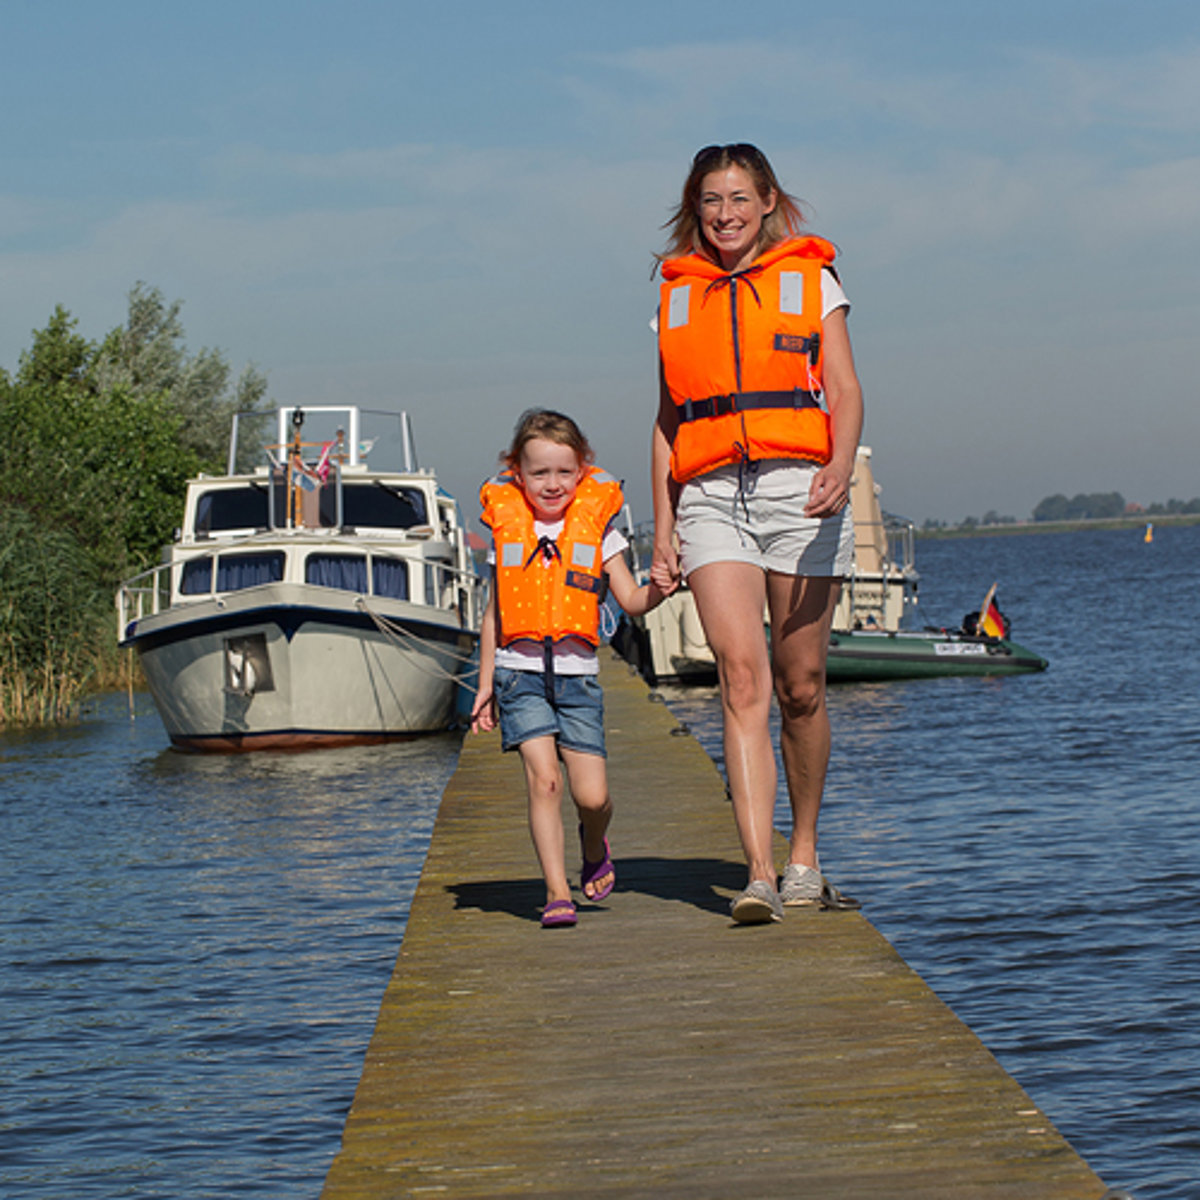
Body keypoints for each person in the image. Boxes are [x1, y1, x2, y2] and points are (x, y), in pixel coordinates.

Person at [649, 143, 864, 924]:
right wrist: (664, 526)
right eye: (711, 200)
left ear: (768, 201)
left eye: (740, 198)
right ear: (695, 208)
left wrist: (839, 462)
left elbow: (844, 387)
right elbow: (668, 420)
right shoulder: (675, 295)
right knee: (742, 681)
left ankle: (804, 855)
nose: (726, 214)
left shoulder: (811, 280)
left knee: (800, 684)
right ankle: (760, 874)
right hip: (710, 495)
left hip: (799, 489)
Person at [471, 409, 676, 928]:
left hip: (577, 679)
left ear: (583, 469)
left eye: (564, 472)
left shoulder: (598, 530)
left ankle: (593, 843)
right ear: (517, 472)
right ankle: (556, 892)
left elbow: (630, 599)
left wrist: (661, 588)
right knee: (544, 782)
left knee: (593, 797)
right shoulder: (507, 528)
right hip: (518, 676)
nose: (552, 484)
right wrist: (485, 683)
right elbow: (494, 614)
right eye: (539, 472)